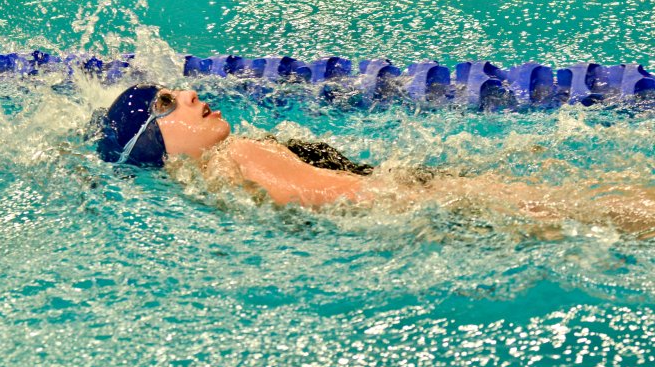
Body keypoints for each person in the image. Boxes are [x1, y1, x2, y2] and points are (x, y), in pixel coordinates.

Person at [96, 84, 655, 238]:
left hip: (413, 190)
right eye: (167, 104)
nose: (190, 95)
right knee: (602, 210)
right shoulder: (232, 161)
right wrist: (434, 201)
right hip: (421, 201)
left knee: (599, 204)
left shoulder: (222, 164)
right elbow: (333, 194)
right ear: (155, 144)